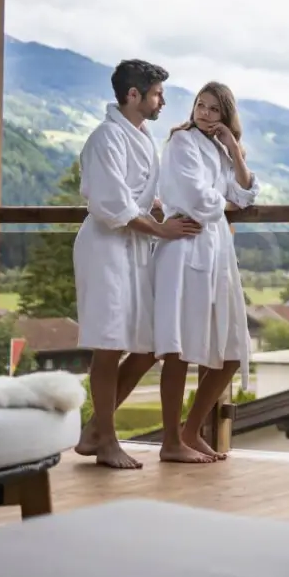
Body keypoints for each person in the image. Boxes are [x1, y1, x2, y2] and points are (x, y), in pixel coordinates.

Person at [73, 59, 201, 469]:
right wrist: (163, 231)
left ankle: (95, 430)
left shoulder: (141, 136)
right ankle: (106, 441)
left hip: (134, 249)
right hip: (106, 248)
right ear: (134, 95)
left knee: (148, 346)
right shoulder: (106, 138)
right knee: (109, 345)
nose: (162, 101)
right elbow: (112, 204)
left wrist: (161, 207)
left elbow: (137, 193)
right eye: (158, 93)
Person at [153, 82, 259, 463]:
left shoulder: (220, 150)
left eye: (215, 109)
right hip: (183, 248)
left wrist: (234, 150)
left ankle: (191, 429)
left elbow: (245, 196)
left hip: (215, 251)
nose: (205, 114)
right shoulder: (181, 143)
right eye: (201, 105)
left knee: (231, 349)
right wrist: (223, 201)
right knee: (179, 348)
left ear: (226, 116)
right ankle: (170, 441)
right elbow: (197, 198)